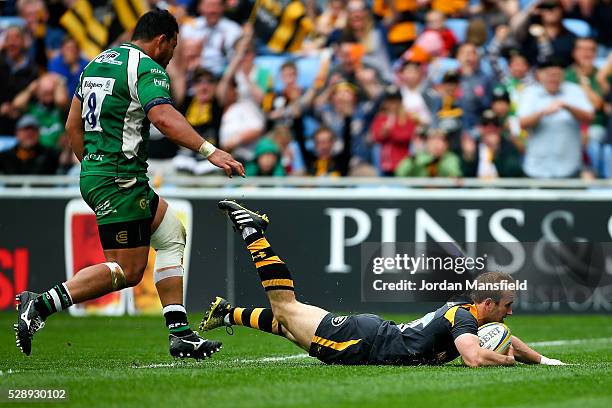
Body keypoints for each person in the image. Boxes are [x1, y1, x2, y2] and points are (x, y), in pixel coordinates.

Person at [14, 10, 244, 359]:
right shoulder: (147, 68)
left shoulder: (97, 63)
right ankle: (41, 304)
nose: (171, 57)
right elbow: (163, 117)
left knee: (170, 234)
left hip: (101, 174)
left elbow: (72, 126)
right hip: (119, 179)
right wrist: (209, 150)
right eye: (173, 47)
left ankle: (180, 333)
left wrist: (92, 166)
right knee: (127, 270)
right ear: (163, 40)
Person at [199, 200, 566, 367]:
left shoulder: (469, 316)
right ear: (487, 303)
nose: (510, 312)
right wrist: (507, 363)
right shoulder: (465, 320)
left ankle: (228, 313)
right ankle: (252, 231)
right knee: (287, 308)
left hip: (367, 335)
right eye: (506, 306)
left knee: (288, 326)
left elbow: (508, 339)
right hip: (360, 343)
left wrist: (545, 360)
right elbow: (473, 357)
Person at [518, 58, 594, 178]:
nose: (553, 78)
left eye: (557, 74)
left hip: (570, 167)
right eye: (549, 74)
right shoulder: (530, 93)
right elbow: (522, 123)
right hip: (537, 168)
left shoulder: (574, 91)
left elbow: (590, 118)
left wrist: (567, 106)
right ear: (539, 75)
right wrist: (543, 112)